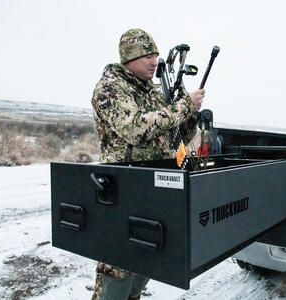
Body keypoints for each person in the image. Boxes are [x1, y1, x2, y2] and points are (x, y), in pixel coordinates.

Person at [90, 28, 205, 300]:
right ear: (129, 58)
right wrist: (183, 107)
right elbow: (135, 129)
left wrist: (190, 114)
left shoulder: (152, 92)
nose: (154, 61)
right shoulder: (110, 88)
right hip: (121, 189)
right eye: (146, 56)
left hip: (153, 187)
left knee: (147, 254)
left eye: (155, 55)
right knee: (117, 263)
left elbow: (177, 134)